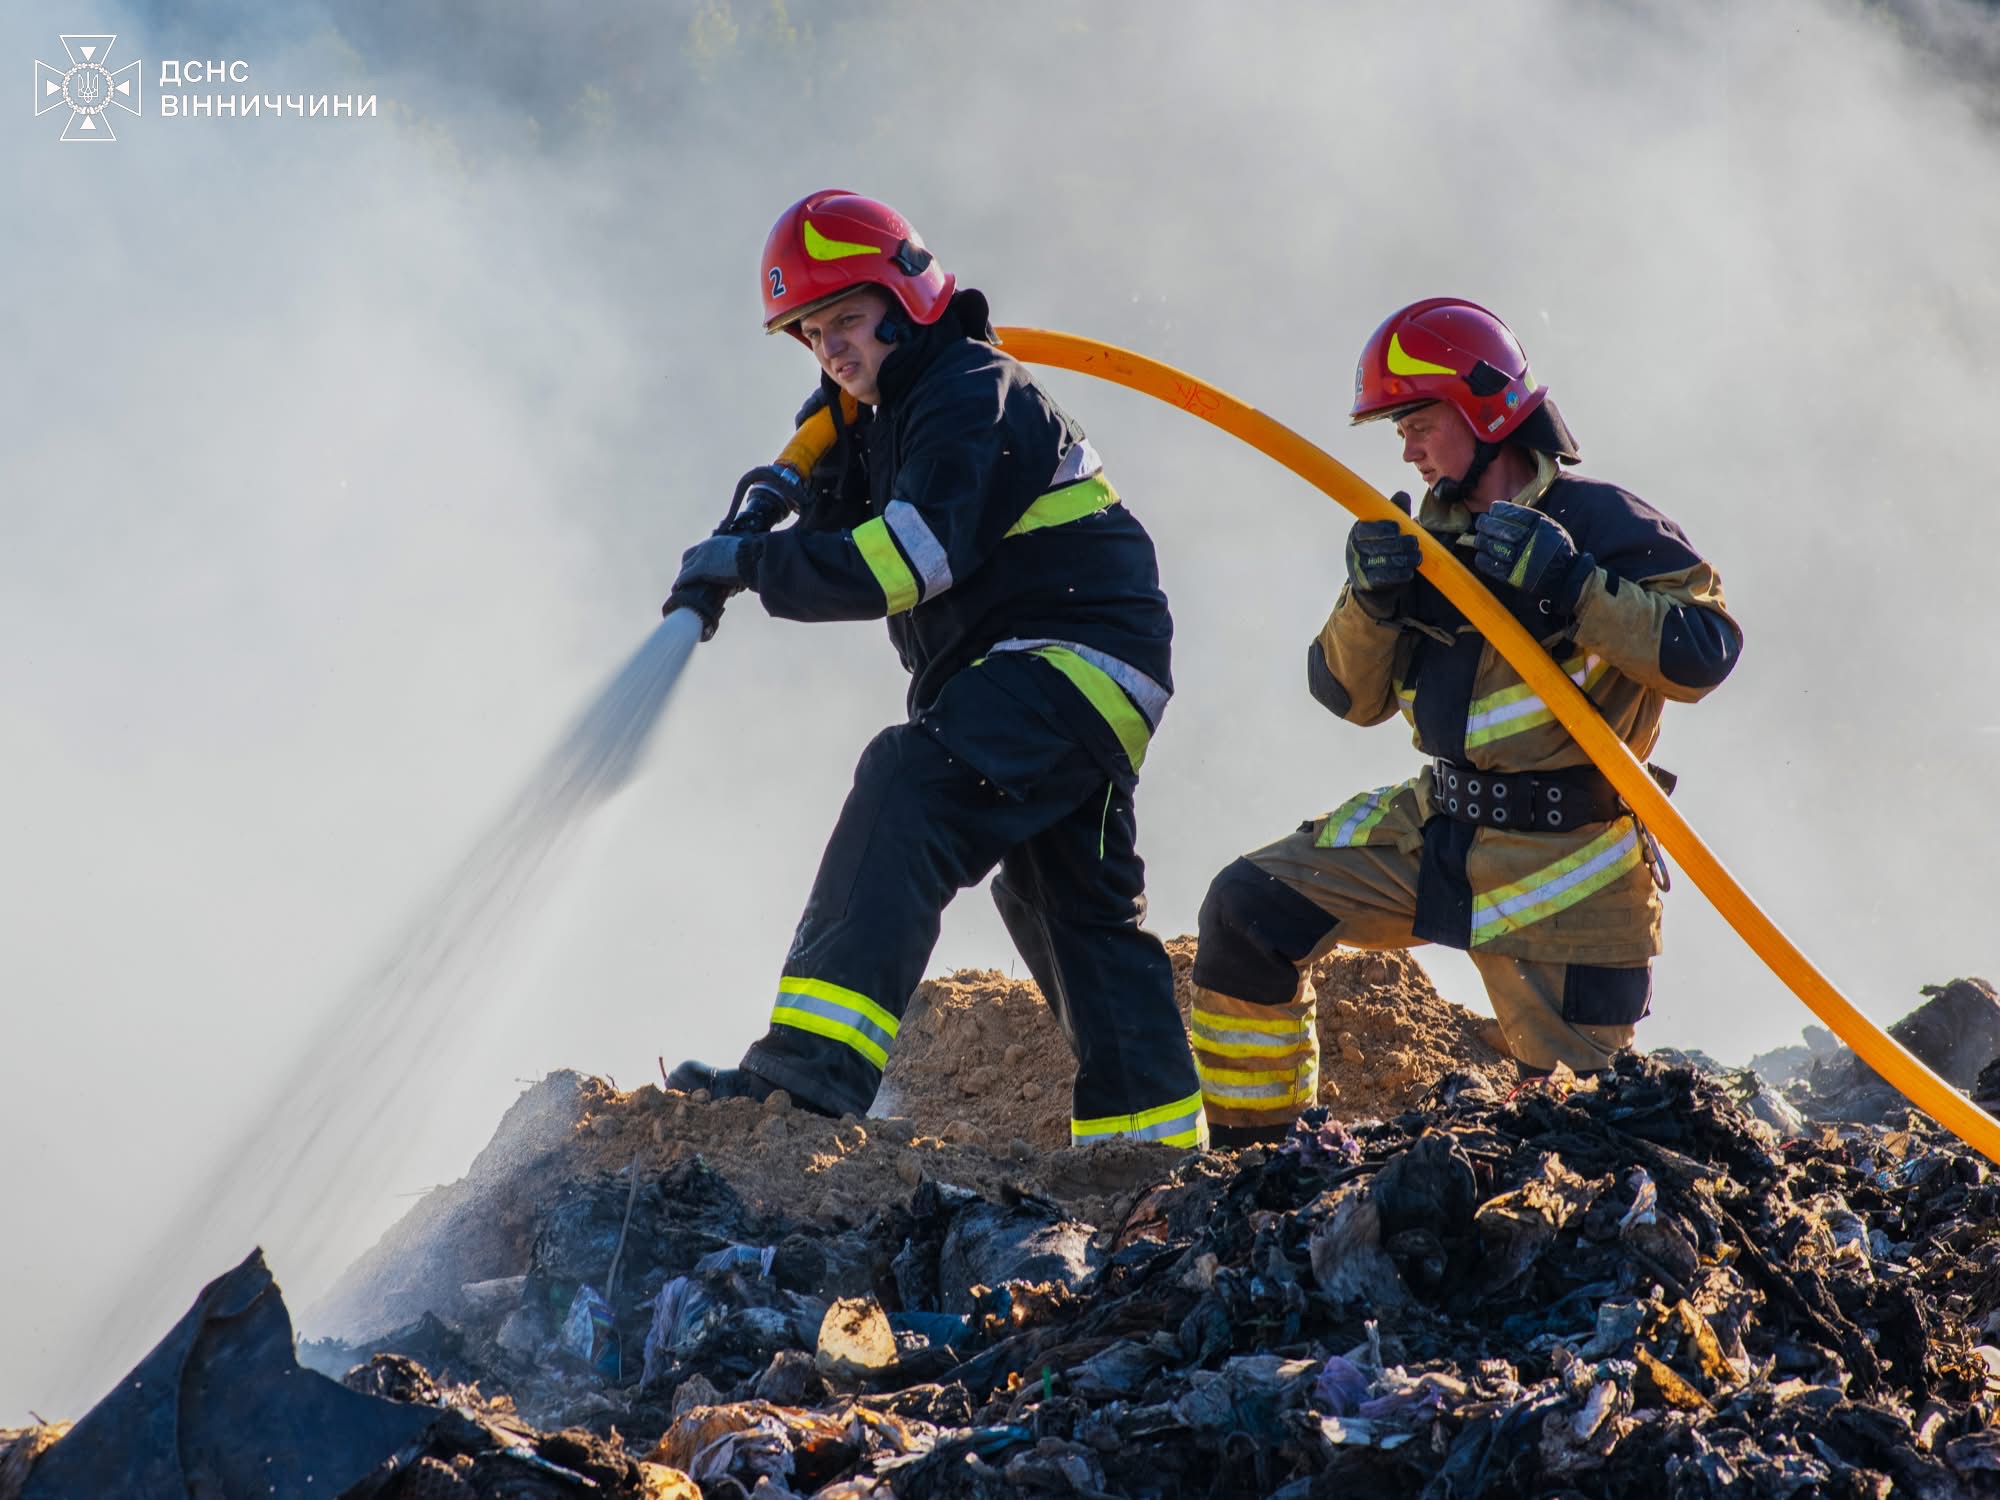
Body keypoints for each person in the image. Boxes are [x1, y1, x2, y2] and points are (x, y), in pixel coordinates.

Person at [663, 191, 1206, 1149]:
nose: (831, 349)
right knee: (1062, 895)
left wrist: (750, 564)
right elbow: (848, 537)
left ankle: (808, 1079)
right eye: (811, 333)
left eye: (845, 320)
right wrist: (797, 497)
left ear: (906, 299)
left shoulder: (968, 389)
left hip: (1072, 659)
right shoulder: (888, 416)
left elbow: (907, 561)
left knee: (909, 781)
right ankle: (1149, 1146)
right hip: (1066, 677)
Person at [1189, 297, 1743, 1146]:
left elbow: (1705, 652)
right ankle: (1257, 1161)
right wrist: (1371, 602)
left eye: (1417, 421)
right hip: (1438, 833)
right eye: (1398, 428)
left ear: (1484, 410)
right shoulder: (1426, 535)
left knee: (1576, 1141)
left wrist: (1574, 587)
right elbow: (1347, 698)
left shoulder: (1604, 525)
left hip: (1569, 873)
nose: (1405, 447)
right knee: (1246, 913)